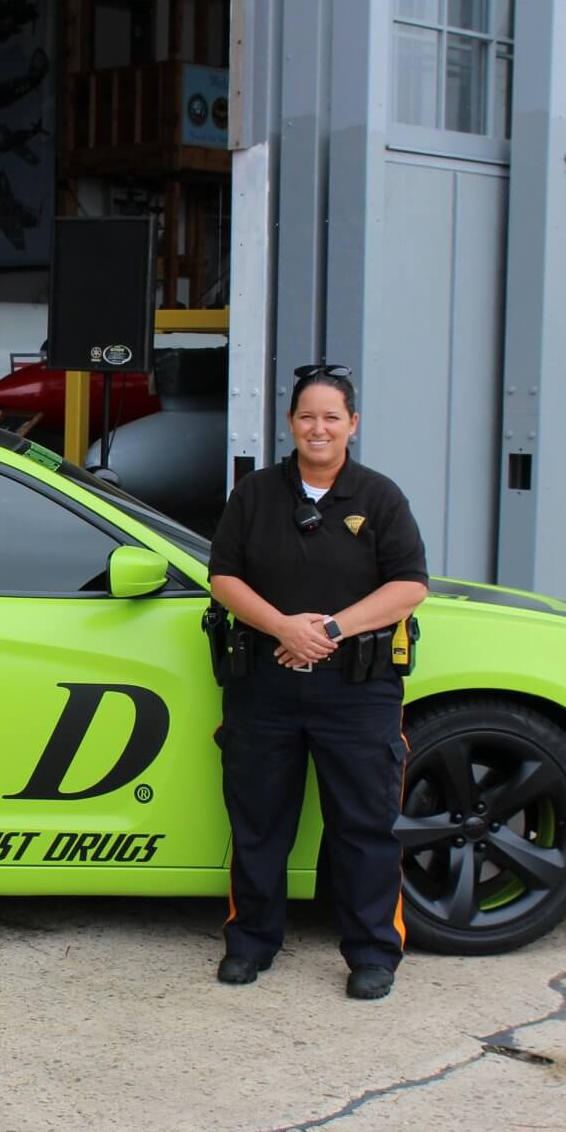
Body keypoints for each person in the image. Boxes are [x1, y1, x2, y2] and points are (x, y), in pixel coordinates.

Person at [206, 363, 428, 1000]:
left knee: (364, 827)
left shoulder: (380, 497)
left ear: (352, 424)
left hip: (358, 692)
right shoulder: (254, 495)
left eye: (332, 417)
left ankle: (372, 955)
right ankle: (250, 943)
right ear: (290, 424)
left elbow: (410, 586)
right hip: (264, 688)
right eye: (307, 416)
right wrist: (282, 627)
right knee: (258, 823)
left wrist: (327, 631)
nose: (319, 428)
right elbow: (223, 578)